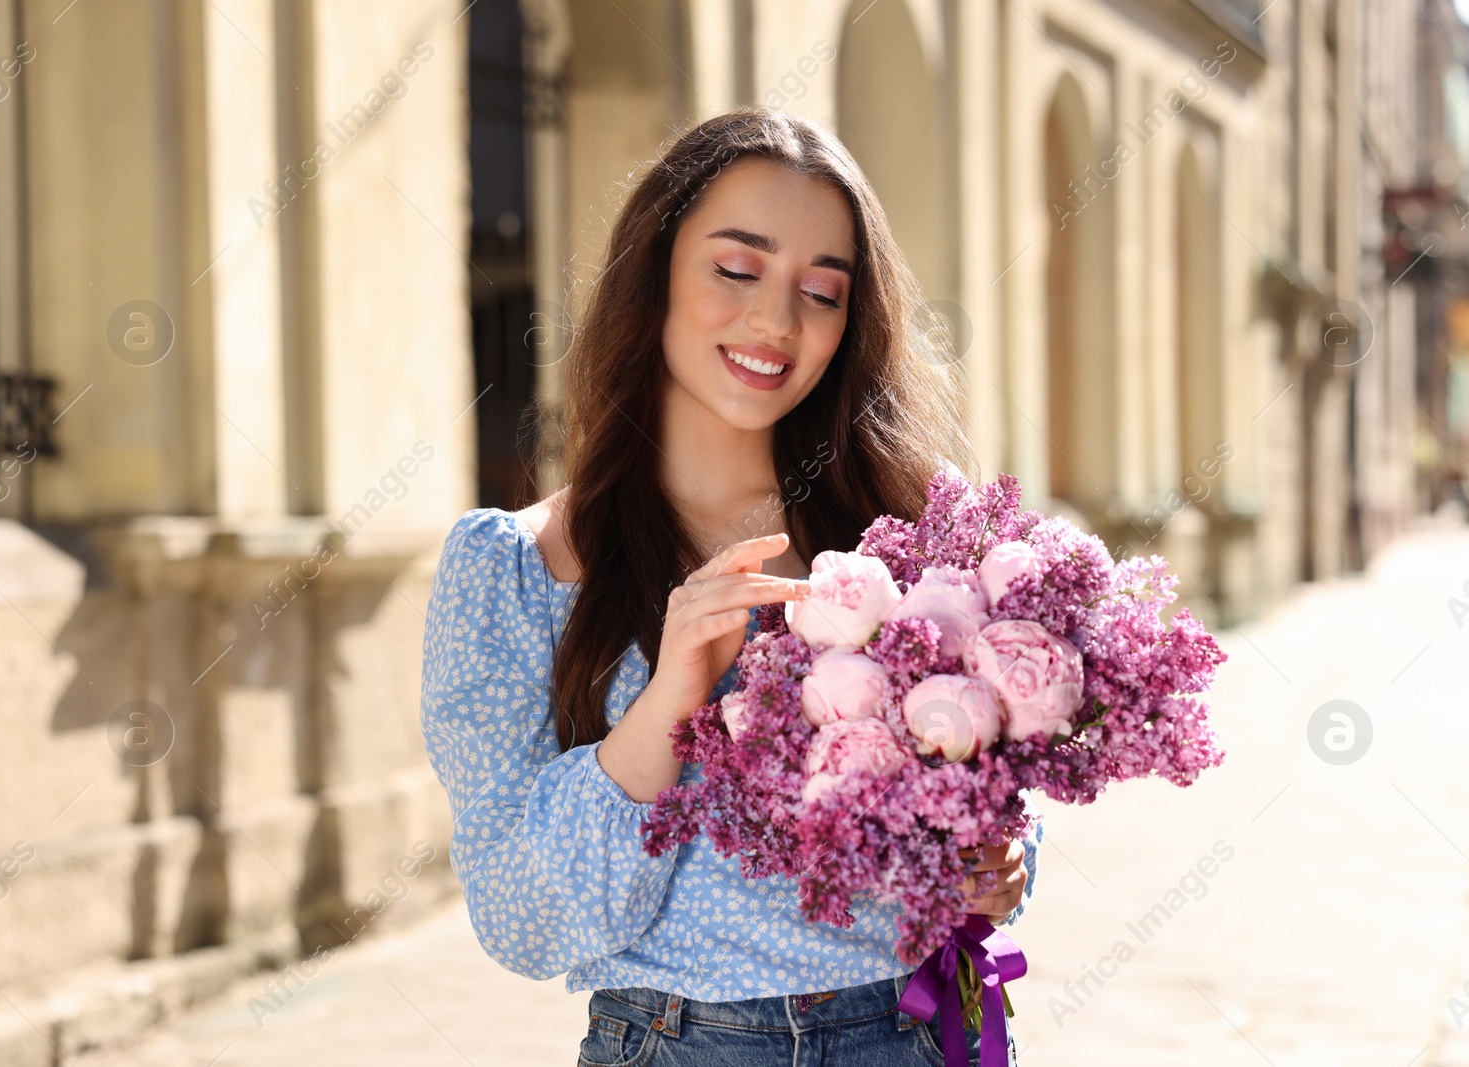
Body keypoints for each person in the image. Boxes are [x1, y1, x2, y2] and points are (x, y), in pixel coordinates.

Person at [420, 106, 1042, 1067]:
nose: (777, 321)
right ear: (656, 269)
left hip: (910, 1034)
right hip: (675, 1043)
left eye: (823, 292)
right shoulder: (514, 568)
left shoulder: (901, 535)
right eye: (737, 269)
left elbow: (986, 797)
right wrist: (669, 700)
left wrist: (995, 858)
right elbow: (521, 920)